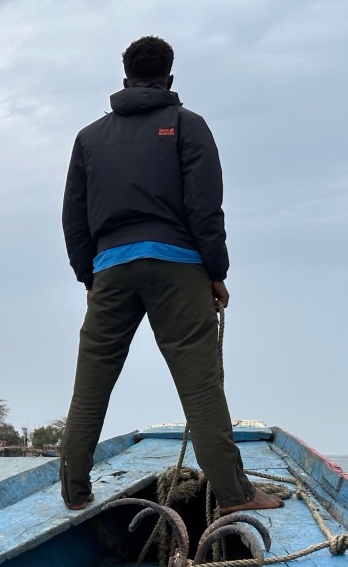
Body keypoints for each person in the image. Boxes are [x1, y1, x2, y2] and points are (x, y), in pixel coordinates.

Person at [59, 35, 281, 515]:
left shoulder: (89, 137)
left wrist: (89, 277)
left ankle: (74, 493)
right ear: (170, 78)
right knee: (199, 384)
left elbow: (73, 218)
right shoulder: (187, 125)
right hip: (178, 267)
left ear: (125, 79)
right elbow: (205, 207)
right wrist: (216, 271)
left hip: (110, 271)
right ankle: (234, 494)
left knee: (91, 383)